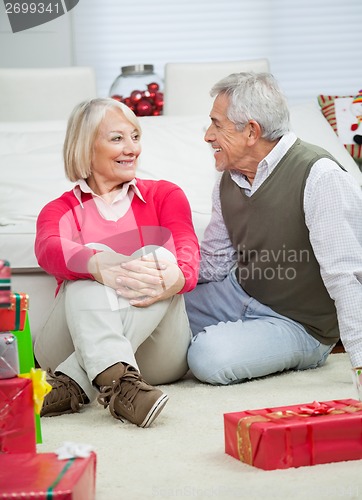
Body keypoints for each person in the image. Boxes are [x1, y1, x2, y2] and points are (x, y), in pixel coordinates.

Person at [185, 72, 362, 386]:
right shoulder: (229, 177)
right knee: (156, 306)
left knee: (208, 358)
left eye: (217, 124)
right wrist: (165, 274)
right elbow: (214, 264)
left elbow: (346, 276)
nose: (208, 136)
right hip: (238, 293)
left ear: (251, 131)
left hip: (301, 325)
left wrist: (360, 363)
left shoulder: (320, 176)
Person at [34, 97, 199, 427]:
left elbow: (188, 251)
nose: (132, 149)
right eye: (117, 138)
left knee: (160, 257)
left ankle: (76, 380)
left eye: (135, 137)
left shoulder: (166, 195)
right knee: (91, 257)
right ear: (86, 146)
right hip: (66, 344)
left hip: (157, 355)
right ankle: (121, 383)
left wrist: (177, 276)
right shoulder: (59, 210)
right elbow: (48, 249)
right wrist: (95, 264)